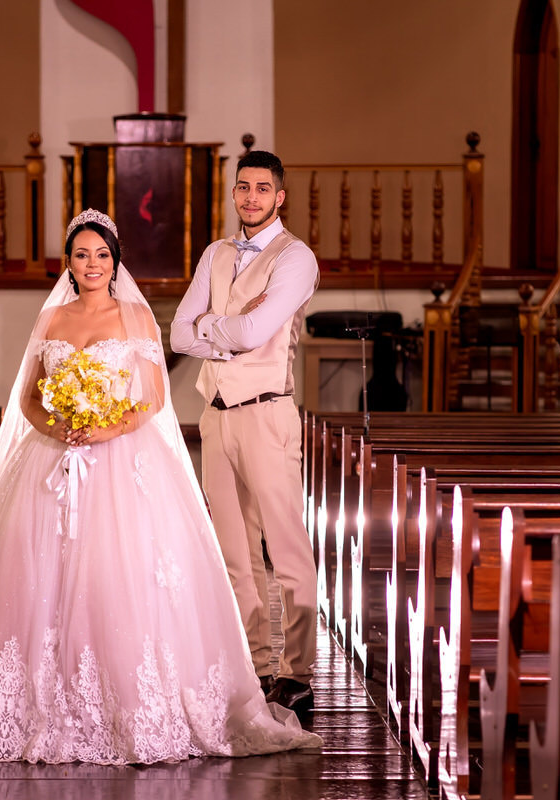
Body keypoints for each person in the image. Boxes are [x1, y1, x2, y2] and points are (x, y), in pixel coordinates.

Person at [0, 209, 321, 764]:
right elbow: (30, 396)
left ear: (115, 260)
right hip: (52, 457)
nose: (92, 265)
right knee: (33, 577)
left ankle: (133, 704)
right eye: (82, 255)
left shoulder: (134, 315)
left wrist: (104, 426)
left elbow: (153, 396)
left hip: (120, 455)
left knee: (124, 577)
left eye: (101, 255)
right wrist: (58, 425)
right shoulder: (53, 319)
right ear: (69, 262)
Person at [170, 150, 320, 715]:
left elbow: (259, 330)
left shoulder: (295, 257)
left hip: (267, 412)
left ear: (280, 196)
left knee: (284, 548)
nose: (251, 197)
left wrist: (214, 326)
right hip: (216, 415)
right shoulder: (216, 253)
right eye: (242, 188)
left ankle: (298, 671)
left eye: (262, 189)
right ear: (233, 195)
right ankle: (258, 664)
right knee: (234, 551)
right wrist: (220, 328)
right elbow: (180, 334)